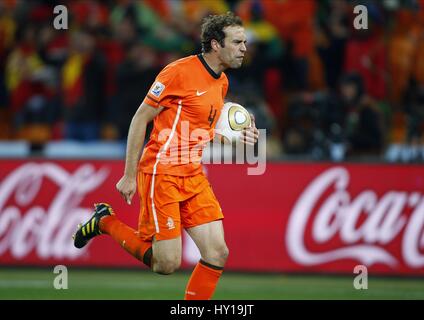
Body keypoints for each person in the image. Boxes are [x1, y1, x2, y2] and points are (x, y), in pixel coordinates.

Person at [73, 12, 259, 300]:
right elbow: (139, 119)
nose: (244, 48)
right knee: (166, 264)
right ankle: (104, 222)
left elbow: (200, 129)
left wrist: (234, 138)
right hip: (163, 172)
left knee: (217, 252)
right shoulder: (178, 73)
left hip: (193, 174)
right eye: (237, 42)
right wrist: (129, 174)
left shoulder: (221, 82)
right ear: (214, 44)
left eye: (244, 42)